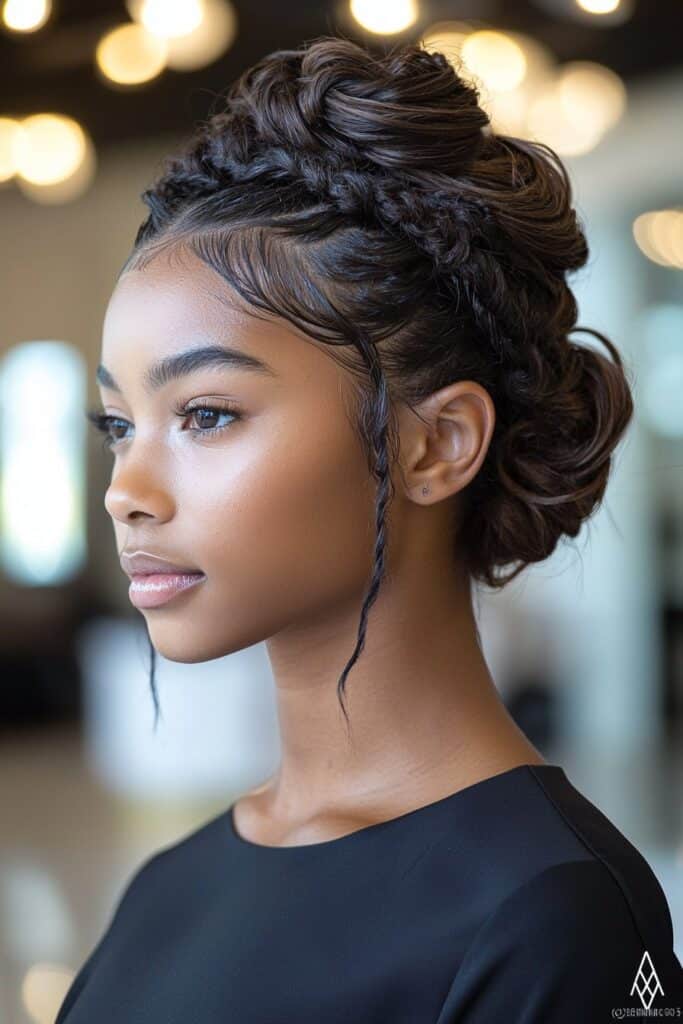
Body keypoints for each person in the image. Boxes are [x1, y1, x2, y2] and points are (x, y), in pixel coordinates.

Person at [58, 34, 683, 1023]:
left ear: (437, 444)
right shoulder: (168, 886)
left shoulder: (551, 915)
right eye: (117, 425)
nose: (125, 490)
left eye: (206, 415)